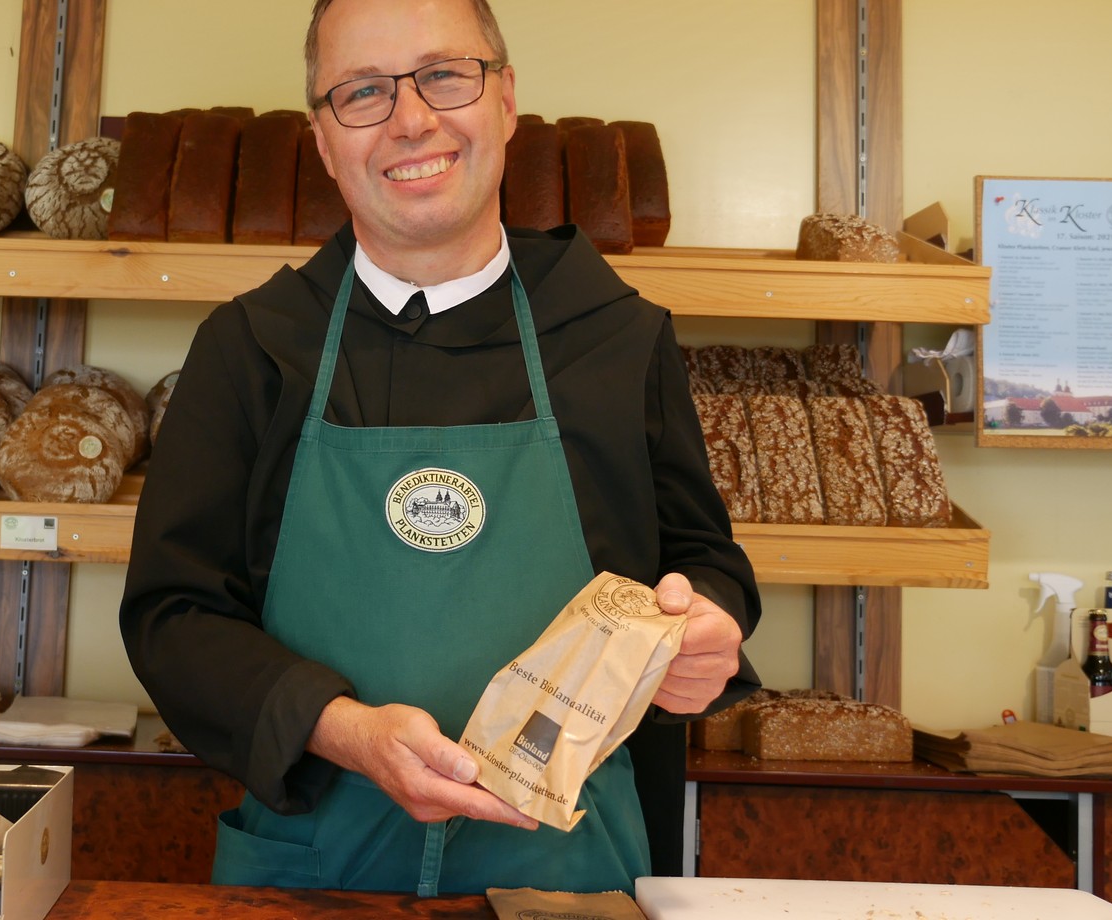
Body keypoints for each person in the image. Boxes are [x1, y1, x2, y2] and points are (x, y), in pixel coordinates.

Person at [120, 0, 760, 896]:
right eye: (363, 91)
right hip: (315, 876)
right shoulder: (253, 348)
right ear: (322, 139)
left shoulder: (616, 337)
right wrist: (343, 730)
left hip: (569, 878)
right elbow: (173, 617)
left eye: (445, 75)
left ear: (504, 101)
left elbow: (703, 560)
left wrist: (710, 629)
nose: (410, 118)